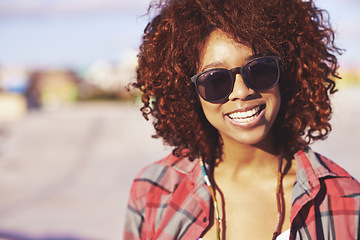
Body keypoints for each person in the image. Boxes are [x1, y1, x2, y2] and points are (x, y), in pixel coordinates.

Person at [124, 0, 360, 239]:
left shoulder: (345, 202)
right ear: (189, 93)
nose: (241, 91)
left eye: (259, 69)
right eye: (215, 80)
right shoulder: (153, 189)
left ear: (286, 73)